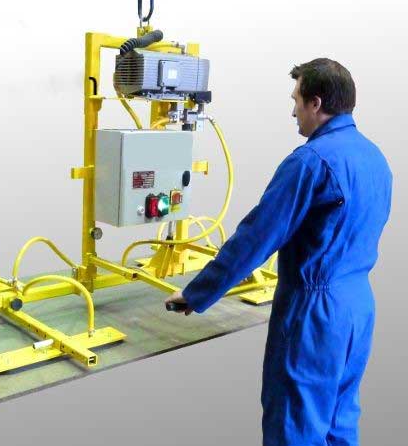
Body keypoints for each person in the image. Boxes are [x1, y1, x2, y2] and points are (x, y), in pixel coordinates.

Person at [165, 58, 392, 445]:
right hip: (357, 309)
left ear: (316, 103)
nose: (293, 111)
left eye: (296, 100)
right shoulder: (375, 158)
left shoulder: (309, 162)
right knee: (338, 421)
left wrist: (197, 294)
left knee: (295, 425)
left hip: (314, 315)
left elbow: (257, 237)